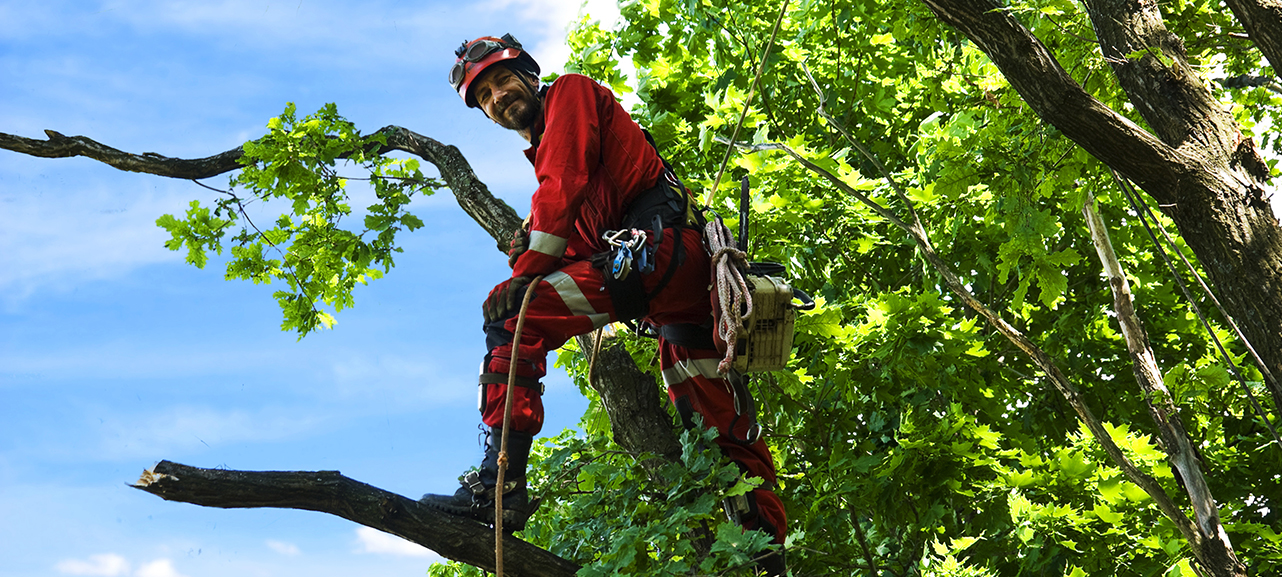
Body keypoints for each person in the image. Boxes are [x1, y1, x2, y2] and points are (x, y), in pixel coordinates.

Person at [419, 34, 786, 573]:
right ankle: (766, 557)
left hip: (658, 257)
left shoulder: (571, 94)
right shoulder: (561, 156)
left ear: (529, 74)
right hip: (676, 296)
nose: (498, 97)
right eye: (486, 97)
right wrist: (539, 247)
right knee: (719, 432)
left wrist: (525, 273)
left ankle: (501, 487)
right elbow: (576, 231)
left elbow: (559, 188)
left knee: (518, 321)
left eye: (503, 81)